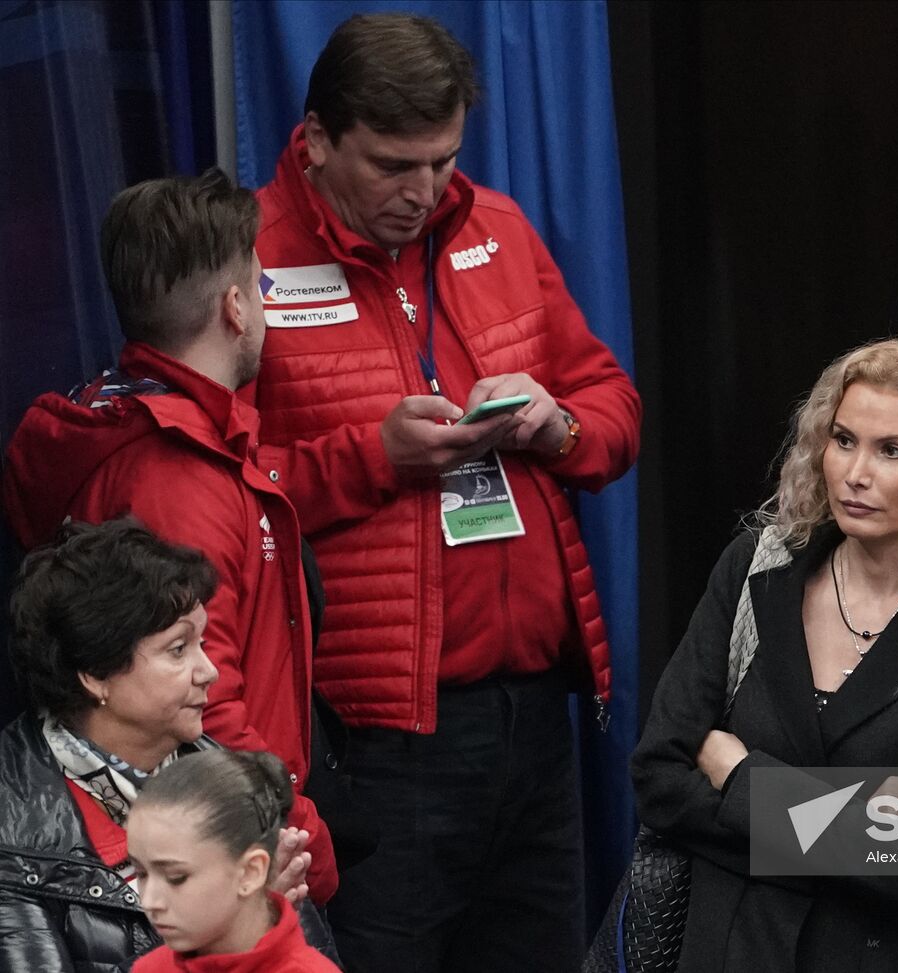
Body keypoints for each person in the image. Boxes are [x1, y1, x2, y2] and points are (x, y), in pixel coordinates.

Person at [250, 13, 641, 971]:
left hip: (534, 716)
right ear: (316, 142)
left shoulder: (496, 226)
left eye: (442, 160)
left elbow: (614, 406)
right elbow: (223, 493)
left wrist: (560, 426)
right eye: (392, 165)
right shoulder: (248, 260)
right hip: (378, 736)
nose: (423, 192)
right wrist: (371, 456)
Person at [1, 168, 412, 904]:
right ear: (233, 307)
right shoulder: (175, 481)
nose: (263, 304)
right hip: (217, 848)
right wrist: (299, 841)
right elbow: (199, 705)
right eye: (260, 287)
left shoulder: (178, 440)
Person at [631, 338, 898, 972]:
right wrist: (859, 827)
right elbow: (660, 777)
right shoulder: (757, 566)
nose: (856, 473)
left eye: (893, 452)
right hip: (736, 950)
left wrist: (741, 776)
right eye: (844, 439)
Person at [0, 519, 329, 972]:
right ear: (95, 673)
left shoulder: (231, 789)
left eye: (202, 642)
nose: (208, 671)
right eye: (178, 649)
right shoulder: (12, 836)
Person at [127, 750, 339, 972]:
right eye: (141, 873)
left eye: (176, 878)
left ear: (251, 871)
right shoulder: (149, 968)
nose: (150, 901)